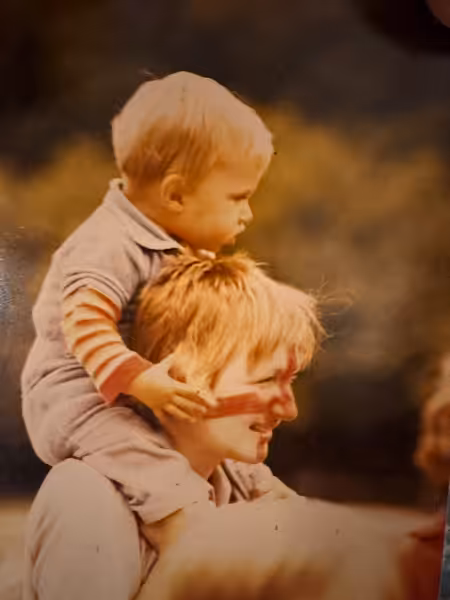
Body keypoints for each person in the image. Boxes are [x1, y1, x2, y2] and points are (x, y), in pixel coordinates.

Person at [23, 253, 429, 600]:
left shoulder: (244, 492)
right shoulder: (88, 498)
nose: (289, 410)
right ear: (179, 377)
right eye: (265, 380)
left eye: (290, 382)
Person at [20, 71, 274, 530]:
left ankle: (267, 498)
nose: (248, 214)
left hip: (134, 393)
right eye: (239, 198)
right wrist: (138, 379)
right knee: (144, 455)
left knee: (216, 438)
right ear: (175, 194)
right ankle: (183, 533)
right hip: (78, 398)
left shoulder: (174, 244)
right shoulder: (107, 243)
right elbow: (85, 322)